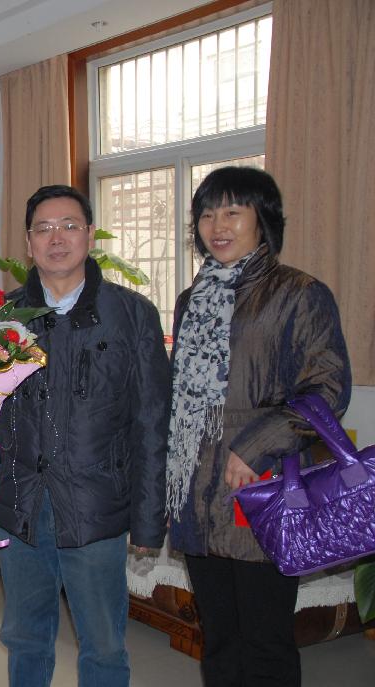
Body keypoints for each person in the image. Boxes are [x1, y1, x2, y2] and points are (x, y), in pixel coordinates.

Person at [0, 185, 170, 687]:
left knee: (103, 644)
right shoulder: (1, 317)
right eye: (43, 228)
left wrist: (148, 522)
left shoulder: (132, 314)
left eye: (69, 226)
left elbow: (151, 422)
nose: (56, 238)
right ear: (27, 242)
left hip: (96, 503)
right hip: (20, 502)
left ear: (89, 234)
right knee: (25, 637)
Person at [166, 166, 350, 687]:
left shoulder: (299, 293)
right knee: (219, 639)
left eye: (232, 212)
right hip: (198, 492)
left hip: (262, 488)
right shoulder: (191, 300)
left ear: (262, 219)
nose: (217, 226)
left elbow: (327, 388)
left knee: (266, 643)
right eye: (206, 215)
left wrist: (257, 446)